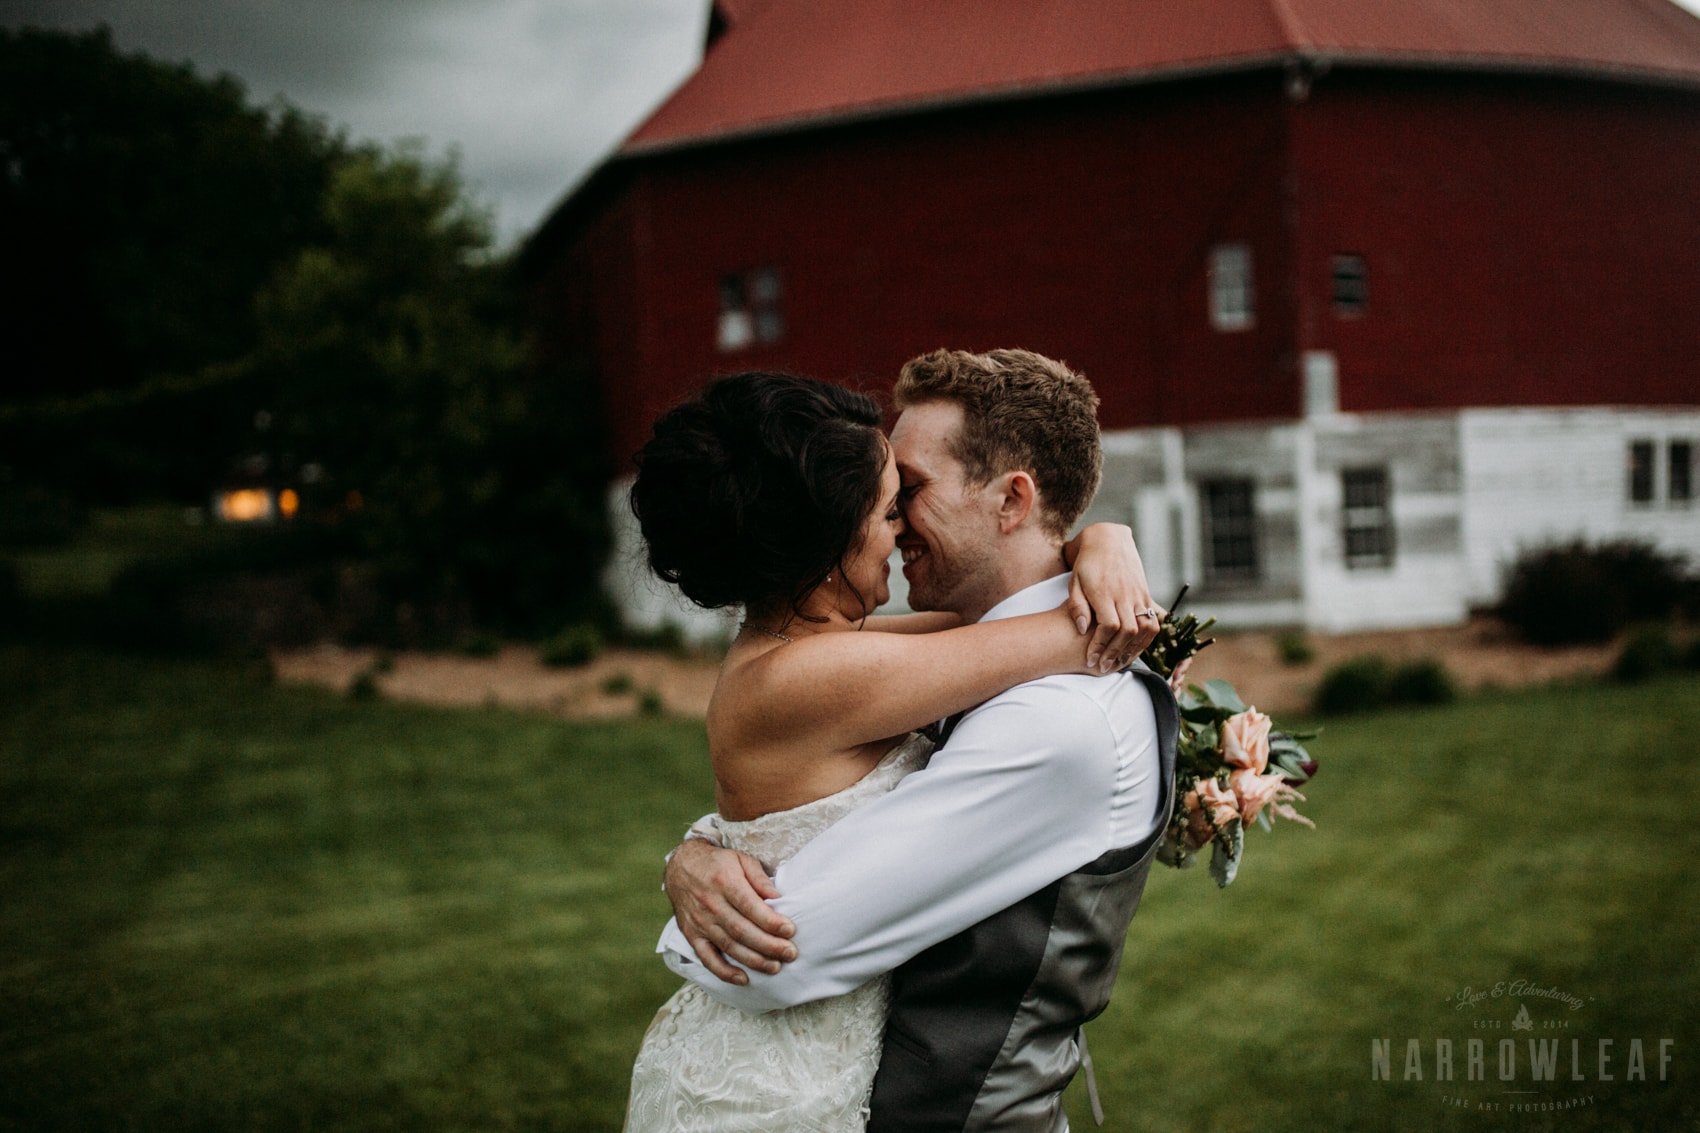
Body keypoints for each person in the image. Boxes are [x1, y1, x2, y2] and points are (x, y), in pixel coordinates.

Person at [622, 363, 1163, 1132]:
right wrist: (1109, 554)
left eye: (911, 495)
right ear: (831, 534)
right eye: (888, 507)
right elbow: (1078, 634)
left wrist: (1101, 542)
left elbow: (989, 634)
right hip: (764, 1091)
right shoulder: (817, 673)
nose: (902, 525)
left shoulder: (821, 650)